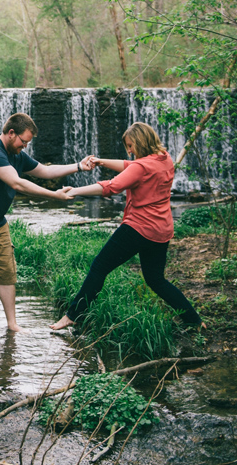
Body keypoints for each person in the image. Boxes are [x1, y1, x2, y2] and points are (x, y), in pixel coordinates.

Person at [0, 112, 93, 337]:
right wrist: (55, 196)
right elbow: (17, 183)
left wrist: (78, 166)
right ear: (11, 133)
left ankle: (12, 324)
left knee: (7, 274)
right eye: (23, 141)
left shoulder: (17, 154)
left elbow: (45, 171)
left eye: (27, 143)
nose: (24, 146)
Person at [50, 122, 204, 330]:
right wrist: (102, 162)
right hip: (161, 229)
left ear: (141, 142)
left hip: (138, 228)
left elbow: (112, 186)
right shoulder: (164, 158)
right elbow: (131, 167)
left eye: (131, 146)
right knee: (156, 279)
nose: (129, 151)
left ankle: (73, 315)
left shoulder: (141, 167)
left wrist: (75, 191)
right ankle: (194, 321)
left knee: (99, 266)